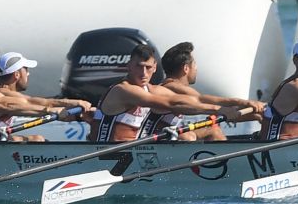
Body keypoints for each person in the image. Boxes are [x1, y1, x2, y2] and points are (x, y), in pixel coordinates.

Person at [91, 43, 242, 142]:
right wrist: (219, 110)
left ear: (155, 68)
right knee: (188, 137)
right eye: (139, 66)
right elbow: (172, 103)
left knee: (209, 130)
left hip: (136, 152)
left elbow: (192, 101)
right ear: (128, 66)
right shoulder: (123, 90)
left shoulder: (153, 89)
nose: (143, 73)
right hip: (107, 155)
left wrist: (243, 104)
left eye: (148, 68)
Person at [157, 42, 262, 141]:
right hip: (155, 136)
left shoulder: (168, 86)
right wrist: (248, 105)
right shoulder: (174, 88)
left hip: (164, 132)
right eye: (194, 64)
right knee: (212, 131)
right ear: (186, 68)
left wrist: (255, 115)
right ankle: (229, 160)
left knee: (211, 128)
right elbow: (213, 104)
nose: (196, 68)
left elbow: (226, 112)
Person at [0, 52, 92, 142]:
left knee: (37, 139)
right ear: (17, 75)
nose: (28, 74)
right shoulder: (3, 93)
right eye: (26, 70)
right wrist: (77, 102)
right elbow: (40, 103)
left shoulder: (0, 92)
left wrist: (79, 117)